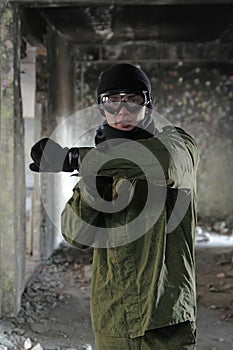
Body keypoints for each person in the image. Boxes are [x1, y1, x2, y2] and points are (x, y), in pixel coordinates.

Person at [30, 63, 199, 349]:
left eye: (132, 100)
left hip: (167, 318)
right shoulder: (99, 161)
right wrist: (92, 180)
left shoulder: (178, 143)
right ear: (102, 107)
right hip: (115, 317)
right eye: (112, 101)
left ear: (147, 104)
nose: (122, 111)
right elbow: (76, 236)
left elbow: (166, 165)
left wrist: (76, 159)